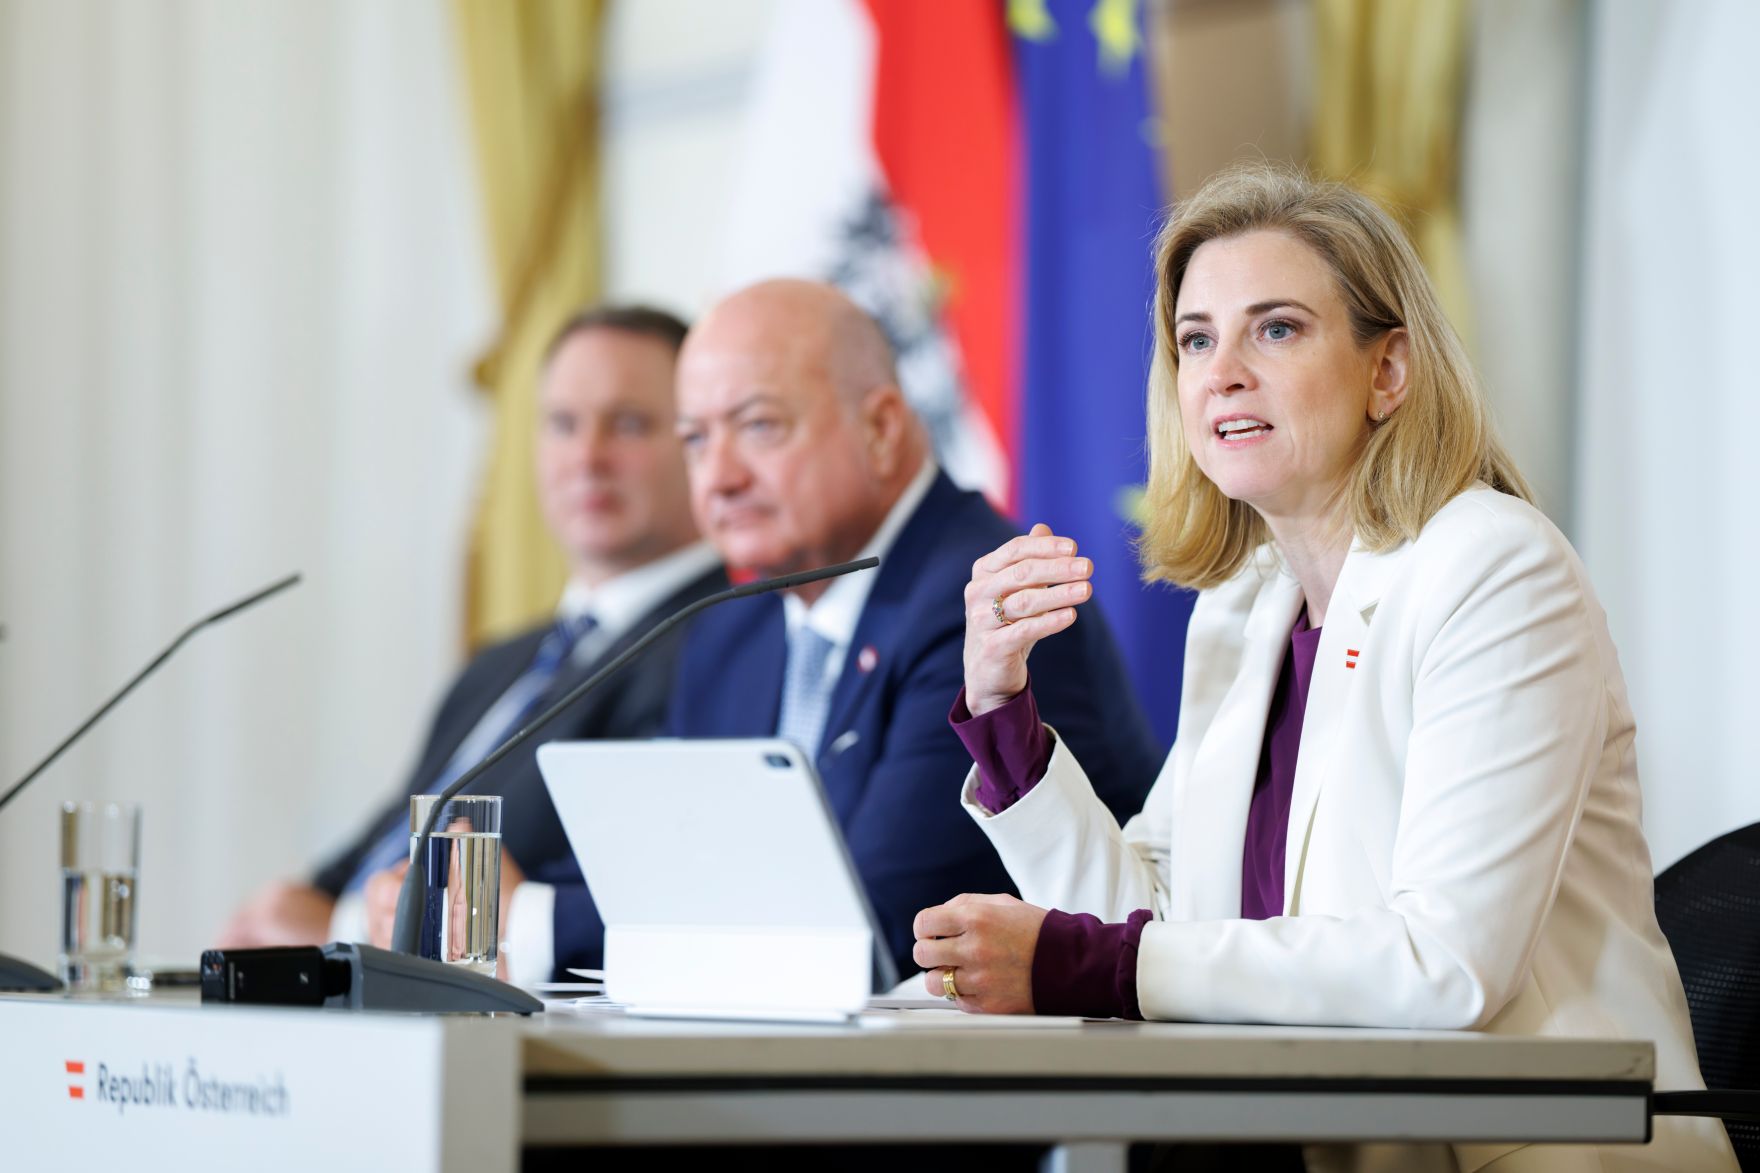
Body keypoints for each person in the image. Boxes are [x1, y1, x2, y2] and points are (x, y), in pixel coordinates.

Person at [912, 166, 1736, 1171]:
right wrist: (1002, 720)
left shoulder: (1493, 567)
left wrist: (1084, 962)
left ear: (1386, 371)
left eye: (1276, 329)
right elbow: (1158, 921)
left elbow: (1443, 965)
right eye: (1195, 339)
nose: (1220, 373)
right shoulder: (1242, 606)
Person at [531, 278, 1162, 980]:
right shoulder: (728, 636)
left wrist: (536, 923)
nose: (720, 476)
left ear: (882, 428)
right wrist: (508, 897)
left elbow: (866, 920)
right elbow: (673, 860)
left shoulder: (985, 607)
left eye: (760, 426)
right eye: (696, 439)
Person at [217, 306, 725, 985]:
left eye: (629, 423)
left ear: (698, 440)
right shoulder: (500, 663)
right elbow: (382, 841)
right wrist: (287, 907)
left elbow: (614, 890)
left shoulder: (720, 645)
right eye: (563, 424)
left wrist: (334, 932)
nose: (588, 456)